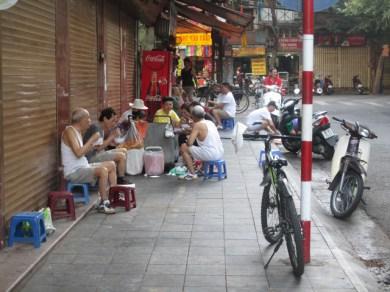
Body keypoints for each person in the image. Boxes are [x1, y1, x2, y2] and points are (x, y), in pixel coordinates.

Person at [61, 108, 116, 214]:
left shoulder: (77, 132)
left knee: (112, 165)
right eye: (88, 118)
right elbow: (78, 153)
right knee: (103, 170)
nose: (90, 121)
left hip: (83, 166)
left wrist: (92, 146)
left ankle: (112, 196)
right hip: (74, 171)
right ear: (81, 120)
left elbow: (81, 152)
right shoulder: (69, 131)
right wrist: (92, 139)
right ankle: (103, 203)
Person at [83, 107, 130, 185]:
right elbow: (99, 148)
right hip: (91, 156)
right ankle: (120, 179)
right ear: (105, 119)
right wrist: (112, 136)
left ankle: (118, 176)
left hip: (98, 153)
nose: (114, 124)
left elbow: (101, 145)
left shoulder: (100, 127)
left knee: (123, 150)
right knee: (121, 156)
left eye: (115, 121)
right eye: (112, 121)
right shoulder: (96, 127)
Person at [180, 105, 224, 180]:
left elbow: (190, 143)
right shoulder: (210, 122)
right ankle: (202, 169)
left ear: (193, 116)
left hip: (210, 154)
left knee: (184, 147)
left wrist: (188, 139)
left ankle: (192, 174)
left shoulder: (197, 125)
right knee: (203, 146)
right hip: (220, 152)